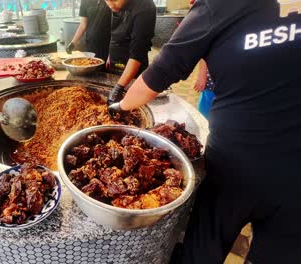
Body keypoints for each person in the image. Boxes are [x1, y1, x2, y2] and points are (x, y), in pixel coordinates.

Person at [109, 0, 301, 263]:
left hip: (235, 167)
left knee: (202, 251)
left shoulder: (218, 5)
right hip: (294, 171)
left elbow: (160, 72)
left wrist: (119, 106)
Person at [104, 0, 156, 106]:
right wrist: (109, 57)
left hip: (133, 69)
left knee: (132, 106)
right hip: (115, 62)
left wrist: (119, 88)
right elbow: (114, 36)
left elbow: (137, 53)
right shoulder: (115, 5)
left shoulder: (145, 6)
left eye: (114, 0)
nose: (110, 4)